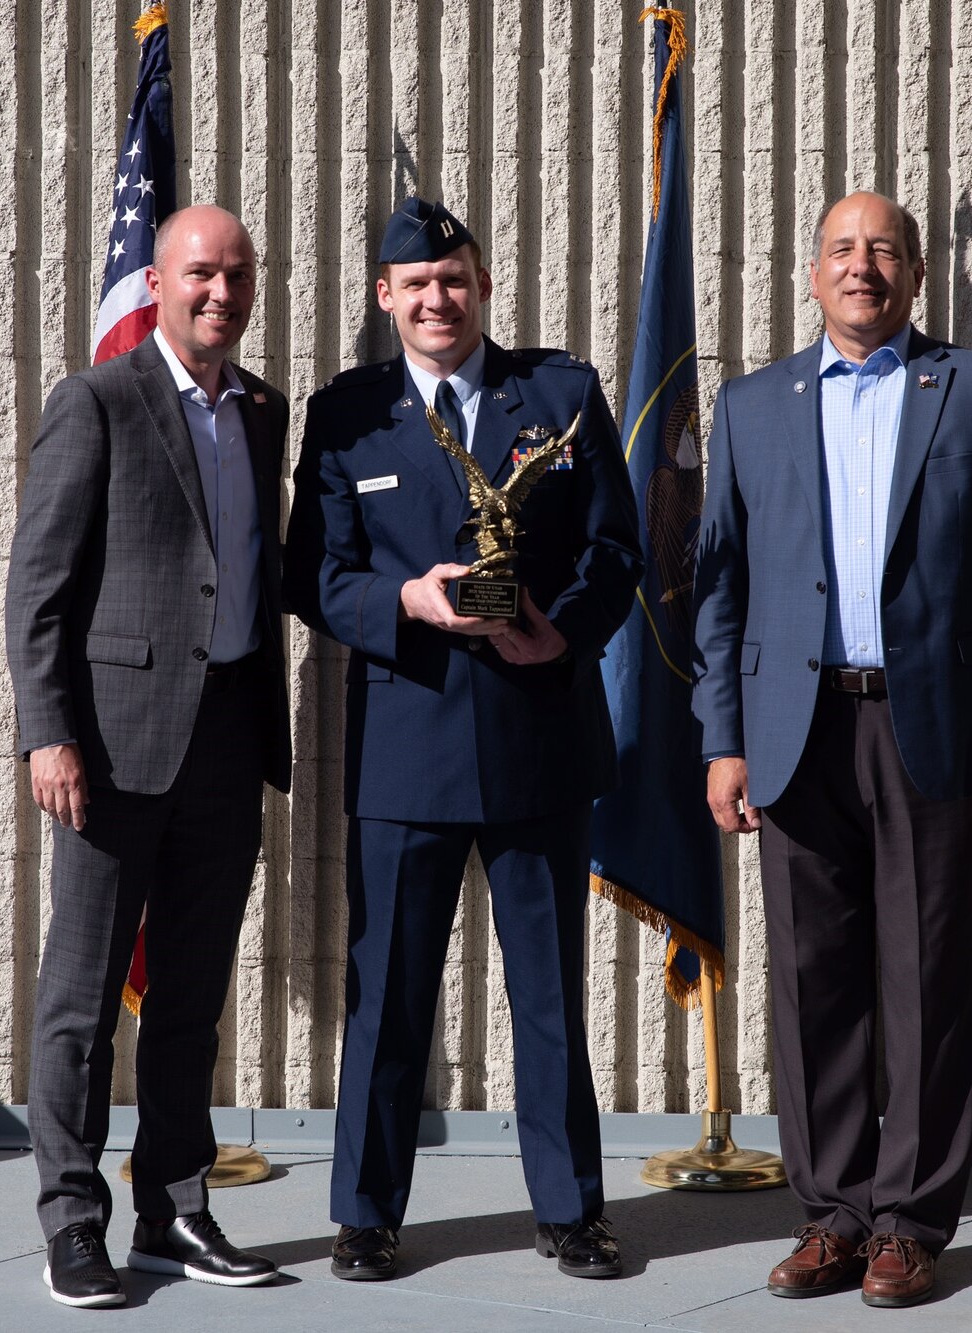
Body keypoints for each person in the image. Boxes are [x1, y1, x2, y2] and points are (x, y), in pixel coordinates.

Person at [692, 190, 972, 1308]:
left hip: (938, 729)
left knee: (928, 975)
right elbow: (719, 585)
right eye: (841, 251)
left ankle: (908, 1219)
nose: (862, 268)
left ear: (912, 275)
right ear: (811, 276)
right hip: (792, 730)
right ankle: (832, 1212)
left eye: (884, 252)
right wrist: (721, 737)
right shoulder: (750, 405)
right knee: (815, 981)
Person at [284, 197, 642, 1283]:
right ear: (383, 298)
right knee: (387, 995)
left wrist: (559, 634)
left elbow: (615, 551)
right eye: (416, 283)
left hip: (536, 735)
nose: (438, 298)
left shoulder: (559, 396)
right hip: (408, 746)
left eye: (455, 278)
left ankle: (570, 1209)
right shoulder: (347, 415)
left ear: (482, 287)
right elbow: (311, 572)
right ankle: (365, 1211)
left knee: (548, 997)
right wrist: (407, 601)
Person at [5, 204, 291, 1308]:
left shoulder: (261, 412)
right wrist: (48, 732)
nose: (220, 293)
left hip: (226, 738)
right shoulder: (98, 402)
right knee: (79, 1001)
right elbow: (38, 590)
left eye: (237, 276)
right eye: (200, 275)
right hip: (110, 750)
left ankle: (174, 1207)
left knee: (191, 995)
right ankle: (73, 1222)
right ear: (160, 283)